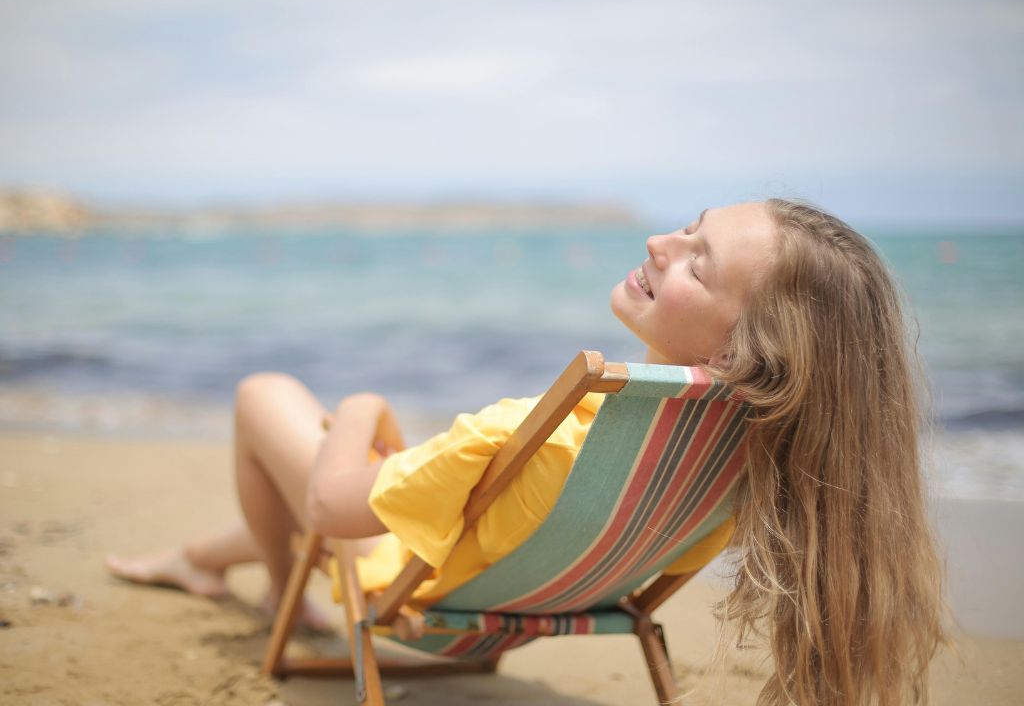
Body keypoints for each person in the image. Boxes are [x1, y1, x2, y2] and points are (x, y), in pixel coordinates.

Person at [106, 200, 945, 705]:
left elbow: (330, 509)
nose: (661, 243)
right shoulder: (760, 459)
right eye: (688, 227)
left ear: (736, 351)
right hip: (527, 593)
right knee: (367, 467)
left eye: (700, 260)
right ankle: (195, 561)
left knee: (269, 397)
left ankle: (270, 590)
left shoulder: (530, 433)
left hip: (421, 598)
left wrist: (360, 407)